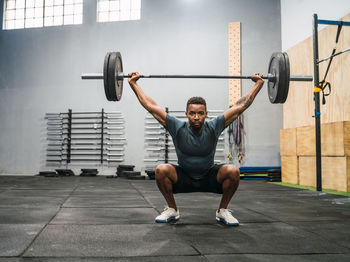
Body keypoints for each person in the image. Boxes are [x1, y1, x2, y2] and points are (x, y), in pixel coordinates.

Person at [128, 72, 264, 226]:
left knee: (233, 171)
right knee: (161, 169)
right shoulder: (177, 127)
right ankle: (172, 209)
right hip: (183, 177)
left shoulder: (214, 126)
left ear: (206, 114)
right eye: (192, 113)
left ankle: (222, 211)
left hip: (209, 177)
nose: (196, 117)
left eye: (200, 113)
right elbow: (151, 107)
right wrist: (134, 84)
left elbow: (240, 107)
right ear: (186, 114)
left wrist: (258, 84)